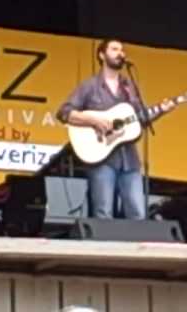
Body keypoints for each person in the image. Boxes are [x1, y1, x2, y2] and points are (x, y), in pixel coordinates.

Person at [57, 39, 176, 220]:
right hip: (101, 161)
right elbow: (64, 113)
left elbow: (138, 119)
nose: (120, 53)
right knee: (103, 213)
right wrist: (93, 120)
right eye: (114, 49)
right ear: (102, 55)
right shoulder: (90, 86)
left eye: (122, 50)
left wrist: (162, 110)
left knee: (138, 214)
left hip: (129, 160)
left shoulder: (129, 87)